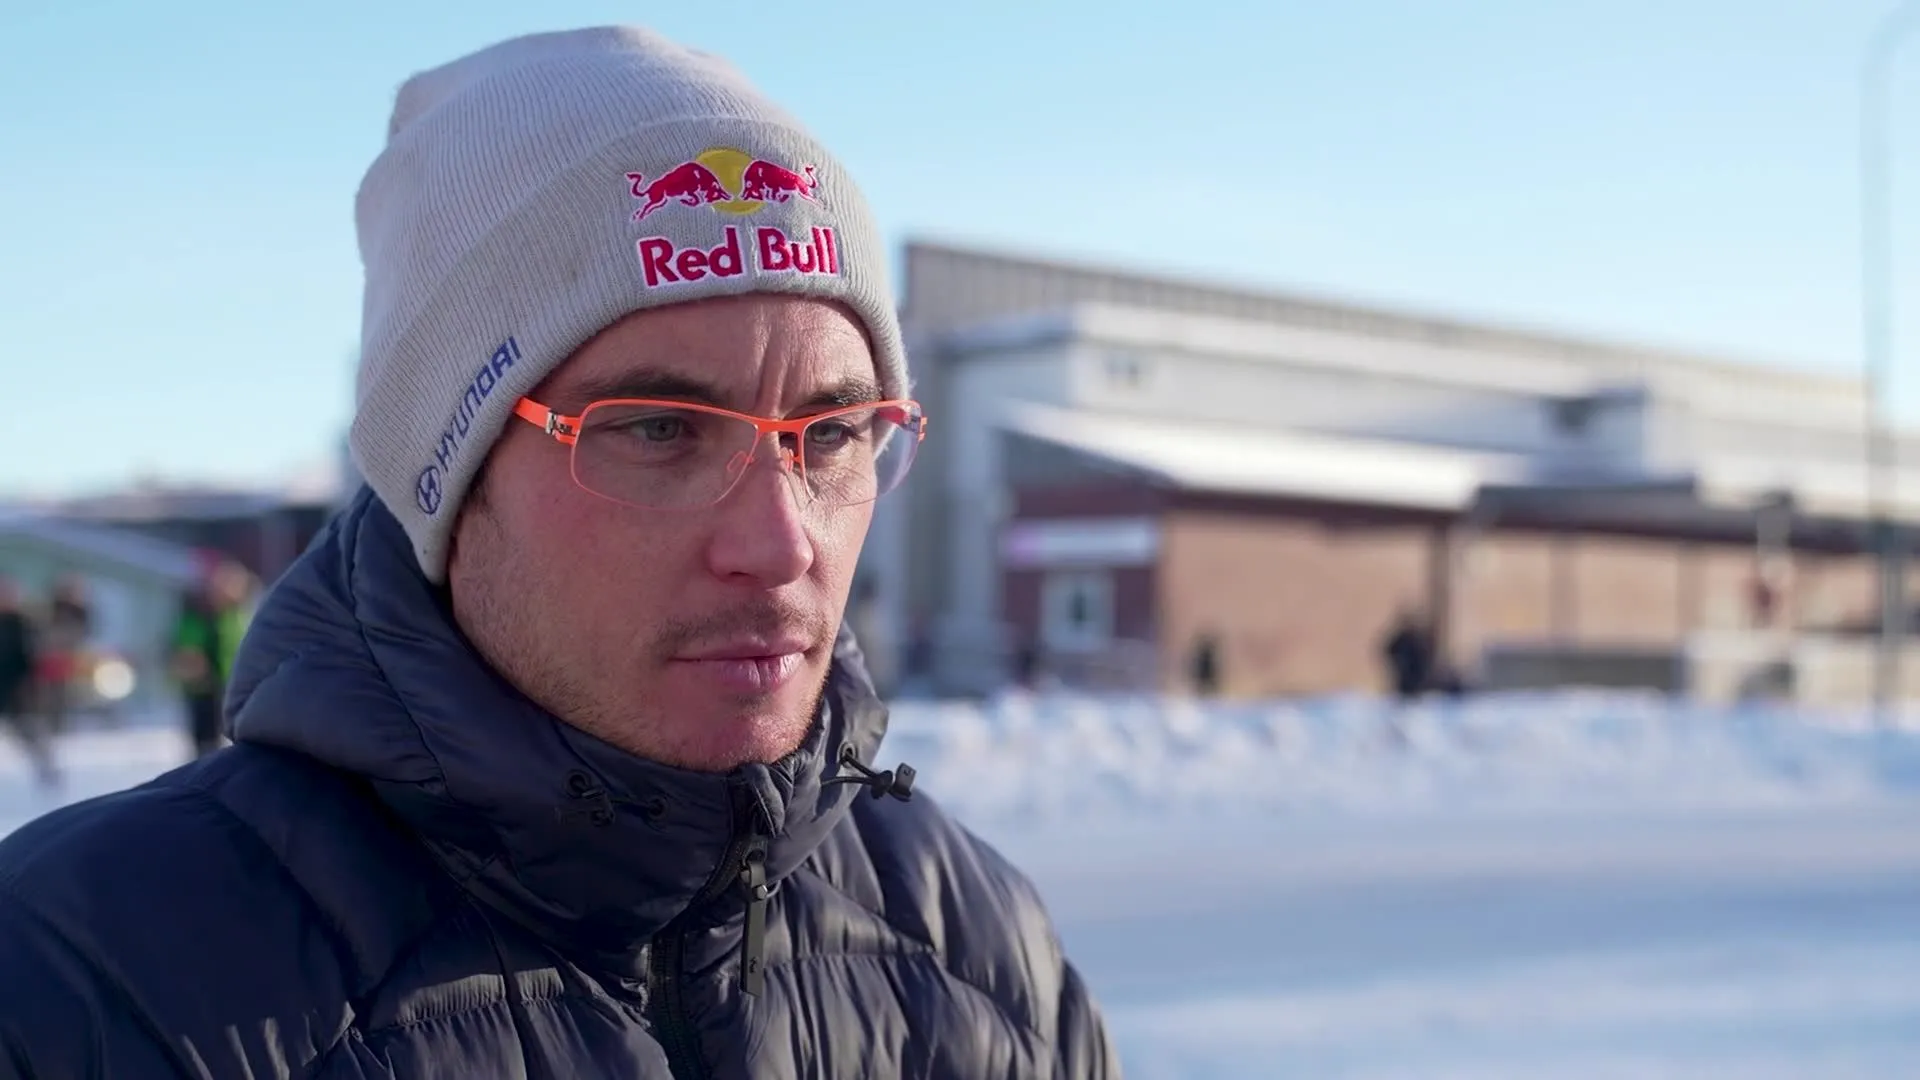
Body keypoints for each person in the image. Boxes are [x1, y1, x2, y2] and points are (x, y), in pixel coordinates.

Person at [0, 26, 1114, 1079]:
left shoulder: (978, 954)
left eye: (830, 435)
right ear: (448, 479)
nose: (780, 545)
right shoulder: (78, 986)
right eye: (660, 430)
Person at [169, 556, 258, 757]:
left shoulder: (239, 615)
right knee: (205, 740)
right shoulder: (196, 615)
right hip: (203, 688)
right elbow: (184, 647)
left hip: (233, 686)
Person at [0, 575, 56, 790]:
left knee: (30, 733)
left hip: (18, 689)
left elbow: (35, 657)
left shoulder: (23, 624)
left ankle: (47, 774)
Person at [32, 574, 91, 736]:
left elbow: (82, 633)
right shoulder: (51, 609)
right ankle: (47, 722)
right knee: (48, 691)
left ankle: (58, 723)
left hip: (68, 657)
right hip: (51, 657)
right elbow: (42, 631)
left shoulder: (80, 611)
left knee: (63, 691)